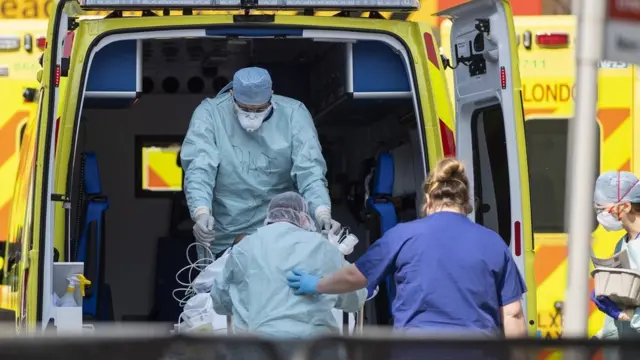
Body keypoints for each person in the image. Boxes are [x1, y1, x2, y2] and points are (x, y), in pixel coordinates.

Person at [287, 158, 528, 337]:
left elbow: (354, 277)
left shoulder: (402, 236)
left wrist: (317, 284)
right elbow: (513, 313)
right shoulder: (493, 242)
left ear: (428, 201)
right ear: (467, 203)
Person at [180, 67, 340, 259]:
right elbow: (200, 167)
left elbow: (310, 172)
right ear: (232, 94)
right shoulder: (210, 114)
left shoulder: (293, 114)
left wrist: (322, 213)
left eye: (259, 109)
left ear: (271, 96)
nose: (251, 116)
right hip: (227, 233)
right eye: (245, 108)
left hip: (282, 229)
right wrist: (201, 212)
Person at [210, 191, 366, 338]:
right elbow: (353, 297)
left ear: (269, 217)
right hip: (314, 347)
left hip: (259, 348)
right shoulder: (323, 247)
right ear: (304, 218)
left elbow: (220, 300)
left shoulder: (244, 247)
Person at [589, 171, 640, 359]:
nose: (600, 215)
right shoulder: (623, 242)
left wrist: (625, 314)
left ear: (625, 206)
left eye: (603, 209)